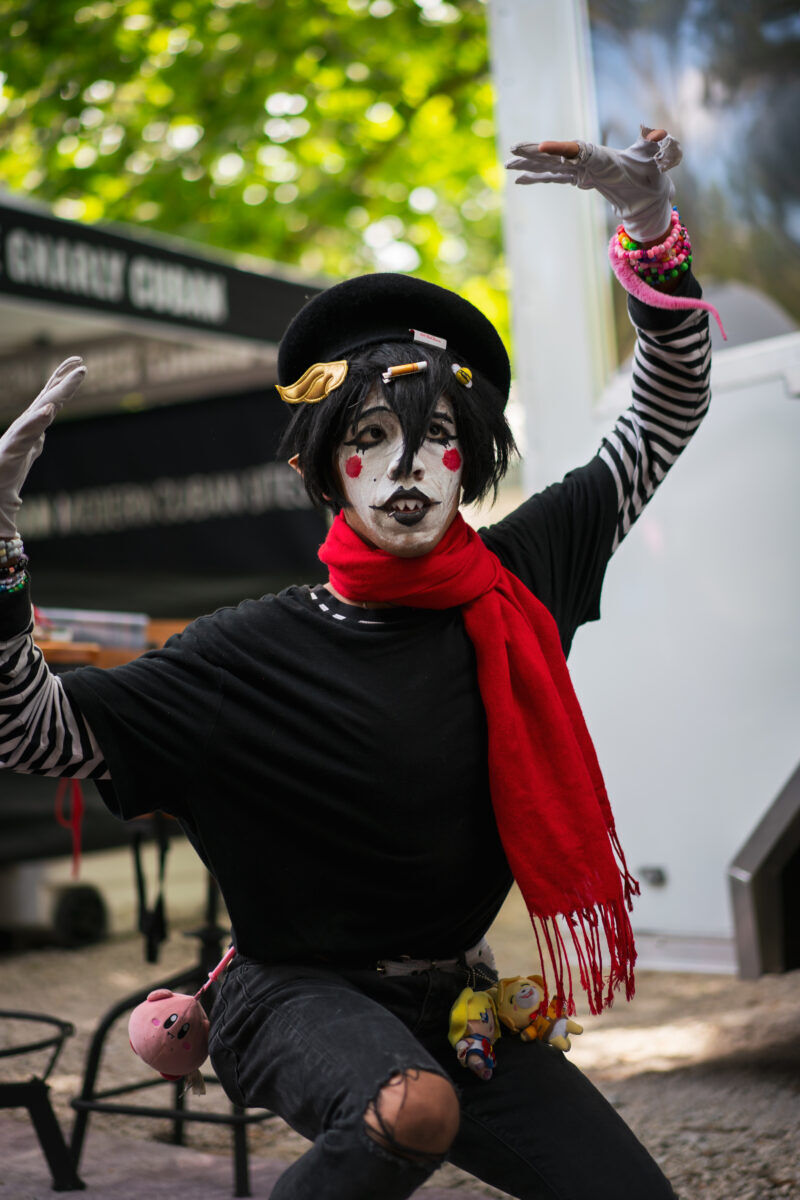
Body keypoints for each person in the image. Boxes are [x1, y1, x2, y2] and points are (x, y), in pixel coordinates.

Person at [0, 128, 716, 1199]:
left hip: (460, 1007)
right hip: (287, 994)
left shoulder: (516, 582)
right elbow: (29, 730)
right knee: (407, 1111)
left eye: (435, 439)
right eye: (371, 436)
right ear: (323, 467)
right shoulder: (245, 651)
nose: (406, 470)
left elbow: (665, 406)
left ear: (469, 459)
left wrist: (649, 227)